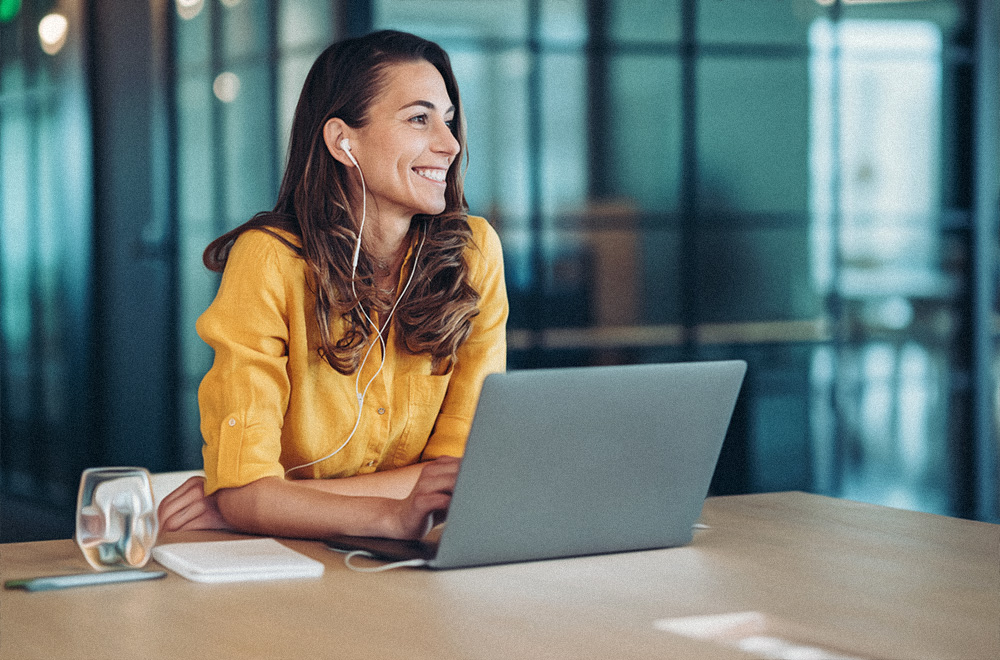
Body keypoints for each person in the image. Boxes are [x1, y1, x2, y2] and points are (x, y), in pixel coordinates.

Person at [157, 30, 508, 541]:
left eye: (448, 121)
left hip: (415, 566)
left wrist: (265, 504)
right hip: (291, 570)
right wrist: (388, 511)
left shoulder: (474, 254)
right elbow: (246, 490)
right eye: (419, 119)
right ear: (344, 140)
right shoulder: (270, 260)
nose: (450, 144)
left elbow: (460, 482)